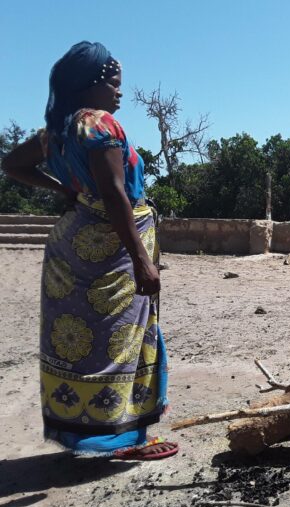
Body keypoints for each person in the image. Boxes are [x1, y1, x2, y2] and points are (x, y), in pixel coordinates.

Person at [1, 41, 178, 459]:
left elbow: (11, 165)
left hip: (72, 244)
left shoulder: (57, 131)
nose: (119, 93)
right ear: (92, 84)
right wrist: (141, 261)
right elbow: (116, 194)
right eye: (115, 84)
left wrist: (64, 188)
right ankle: (120, 440)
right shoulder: (101, 127)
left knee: (83, 342)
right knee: (118, 340)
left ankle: (85, 431)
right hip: (111, 247)